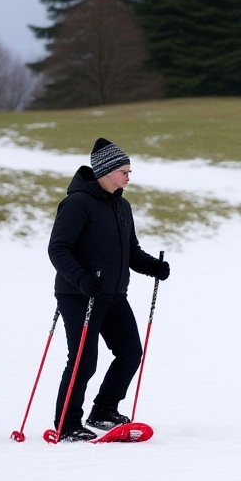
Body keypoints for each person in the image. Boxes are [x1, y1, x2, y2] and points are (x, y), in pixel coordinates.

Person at [47, 137, 170, 441]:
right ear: (106, 171)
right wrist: (82, 279)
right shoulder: (76, 204)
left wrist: (152, 266)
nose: (129, 176)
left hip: (114, 295)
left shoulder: (122, 206)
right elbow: (58, 249)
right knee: (82, 362)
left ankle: (103, 410)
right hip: (79, 296)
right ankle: (67, 424)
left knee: (130, 353)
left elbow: (131, 251)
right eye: (125, 171)